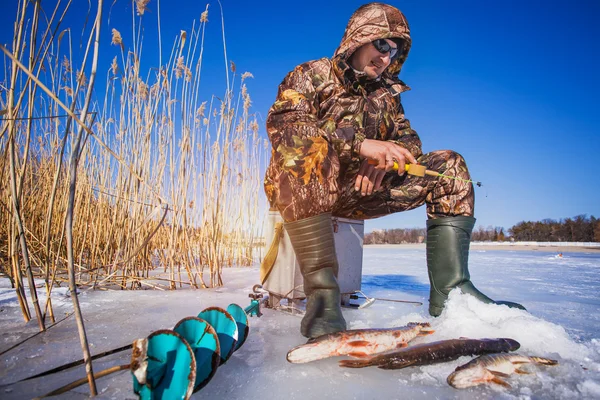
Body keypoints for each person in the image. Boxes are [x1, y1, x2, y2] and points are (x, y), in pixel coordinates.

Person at [264, 2, 525, 339]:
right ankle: (323, 298)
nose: (387, 58)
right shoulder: (310, 75)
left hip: (358, 192)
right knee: (307, 147)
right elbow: (286, 126)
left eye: (395, 51)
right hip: (301, 194)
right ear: (359, 39)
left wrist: (387, 158)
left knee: (451, 167)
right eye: (382, 45)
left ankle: (453, 295)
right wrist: (360, 145)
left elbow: (409, 141)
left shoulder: (387, 96)